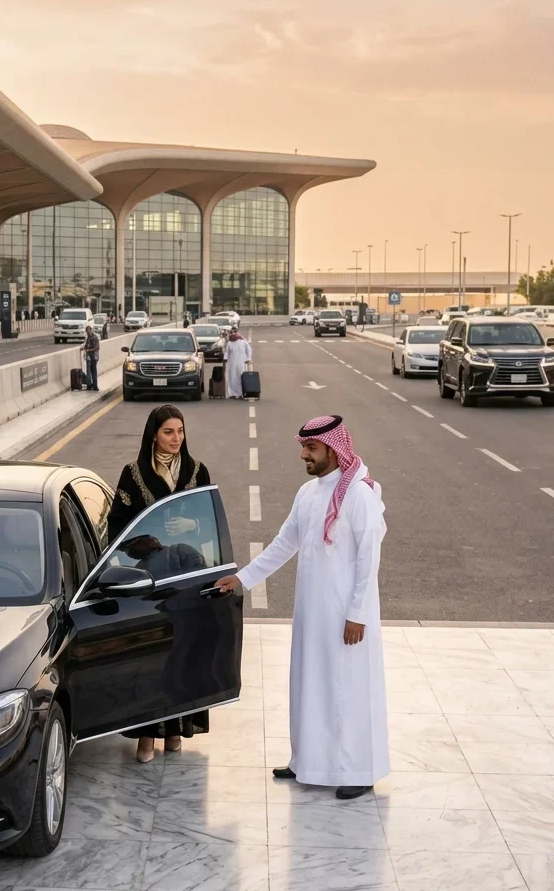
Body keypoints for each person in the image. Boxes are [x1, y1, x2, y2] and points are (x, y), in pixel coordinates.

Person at [216, 415, 389, 800]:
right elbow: (283, 544)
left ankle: (358, 769)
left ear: (332, 448)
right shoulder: (308, 494)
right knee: (309, 684)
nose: (303, 455)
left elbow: (369, 558)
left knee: (348, 690)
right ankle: (307, 762)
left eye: (310, 448)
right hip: (313, 612)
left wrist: (358, 613)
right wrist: (242, 578)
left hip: (347, 616)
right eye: (303, 447)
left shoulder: (359, 495)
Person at [106, 404, 212, 763]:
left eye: (180, 431)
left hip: (186, 578)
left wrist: (192, 527)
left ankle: (177, 730)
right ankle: (147, 736)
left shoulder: (197, 471)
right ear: (154, 434)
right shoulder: (132, 474)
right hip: (147, 580)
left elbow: (210, 518)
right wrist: (144, 541)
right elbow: (116, 525)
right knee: (151, 655)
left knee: (183, 653)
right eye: (169, 432)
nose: (176, 439)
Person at [223, 328, 252, 399]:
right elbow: (226, 352)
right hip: (231, 364)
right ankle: (231, 394)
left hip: (241, 364)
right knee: (232, 378)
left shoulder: (243, 342)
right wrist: (225, 359)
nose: (233, 334)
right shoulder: (230, 343)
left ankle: (241, 393)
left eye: (234, 332)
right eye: (231, 333)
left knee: (241, 378)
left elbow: (249, 350)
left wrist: (248, 359)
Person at [82, 324, 100, 391]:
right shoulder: (88, 338)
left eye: (88, 331)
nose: (88, 333)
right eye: (87, 332)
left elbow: (97, 347)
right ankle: (90, 385)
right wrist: (84, 348)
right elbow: (87, 345)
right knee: (89, 371)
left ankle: (94, 386)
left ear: (91, 330)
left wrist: (89, 350)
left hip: (93, 356)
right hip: (89, 356)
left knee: (93, 371)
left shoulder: (94, 337)